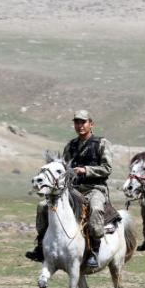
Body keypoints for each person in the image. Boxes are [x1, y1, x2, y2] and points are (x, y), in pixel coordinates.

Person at [25, 110, 112, 267]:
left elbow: (107, 168)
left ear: (91, 124)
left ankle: (94, 250)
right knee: (43, 206)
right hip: (72, 190)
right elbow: (62, 169)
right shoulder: (70, 146)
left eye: (83, 122)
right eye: (76, 122)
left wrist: (86, 170)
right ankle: (40, 246)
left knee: (96, 208)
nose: (79, 126)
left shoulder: (101, 144)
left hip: (95, 188)